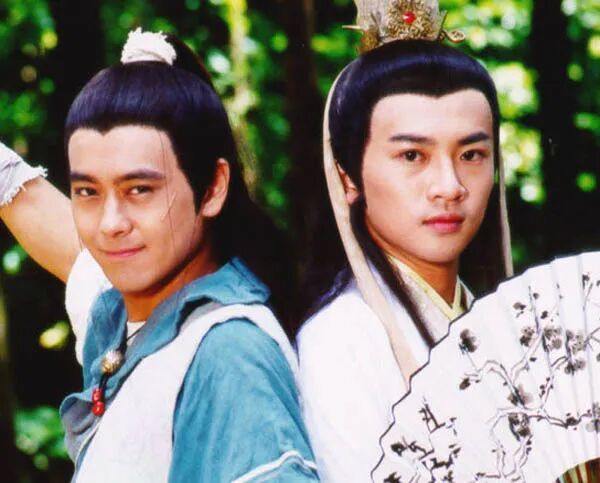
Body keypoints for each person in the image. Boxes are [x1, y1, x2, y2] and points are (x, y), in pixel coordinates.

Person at [1, 29, 318, 482]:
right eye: (88, 192)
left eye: (139, 190)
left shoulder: (228, 353)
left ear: (213, 187)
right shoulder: (130, 317)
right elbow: (39, 214)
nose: (110, 223)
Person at [296, 1, 513, 481]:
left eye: (471, 154)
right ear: (347, 177)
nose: (449, 186)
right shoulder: (341, 341)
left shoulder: (499, 326)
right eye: (413, 155)